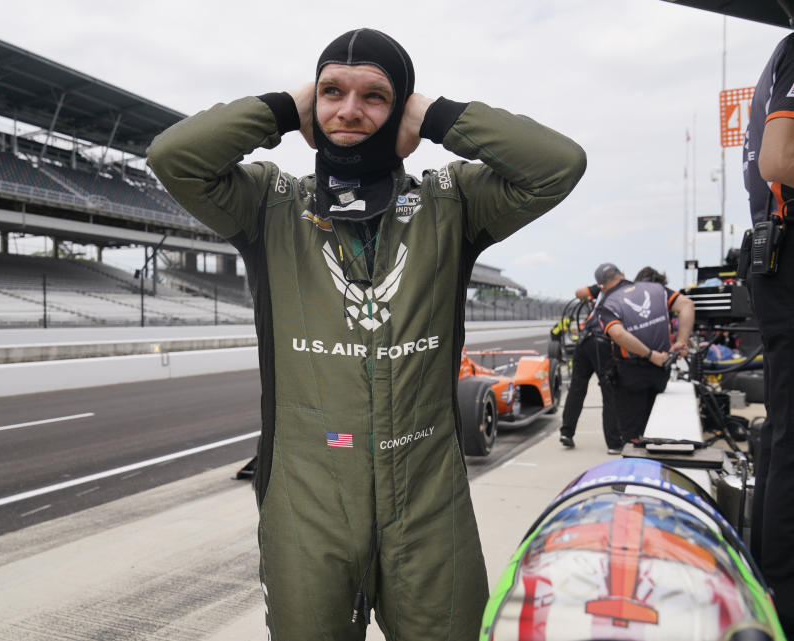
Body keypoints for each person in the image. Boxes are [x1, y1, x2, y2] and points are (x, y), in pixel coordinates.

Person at [147, 28, 586, 641]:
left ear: (401, 106)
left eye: (375, 96)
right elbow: (174, 158)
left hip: (429, 497)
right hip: (307, 498)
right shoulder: (268, 202)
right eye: (331, 91)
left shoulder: (451, 201)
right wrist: (283, 107)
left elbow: (557, 165)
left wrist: (434, 116)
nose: (349, 110)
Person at [742, 31, 794, 635]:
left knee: (783, 433)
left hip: (771, 256)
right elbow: (779, 159)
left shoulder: (780, 54)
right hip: (783, 253)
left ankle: (772, 580)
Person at [597, 262, 694, 445]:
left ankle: (636, 467)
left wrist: (650, 354)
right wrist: (681, 342)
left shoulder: (606, 305)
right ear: (623, 274)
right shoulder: (657, 289)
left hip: (631, 375)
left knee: (633, 436)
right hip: (661, 371)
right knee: (656, 429)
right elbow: (687, 305)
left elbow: (618, 334)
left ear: (601, 286)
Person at [558, 274, 622, 454]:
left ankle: (567, 432)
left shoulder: (600, 288)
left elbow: (579, 293)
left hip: (584, 341)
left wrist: (597, 288)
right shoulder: (622, 292)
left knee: (577, 388)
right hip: (602, 344)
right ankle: (614, 443)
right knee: (610, 392)